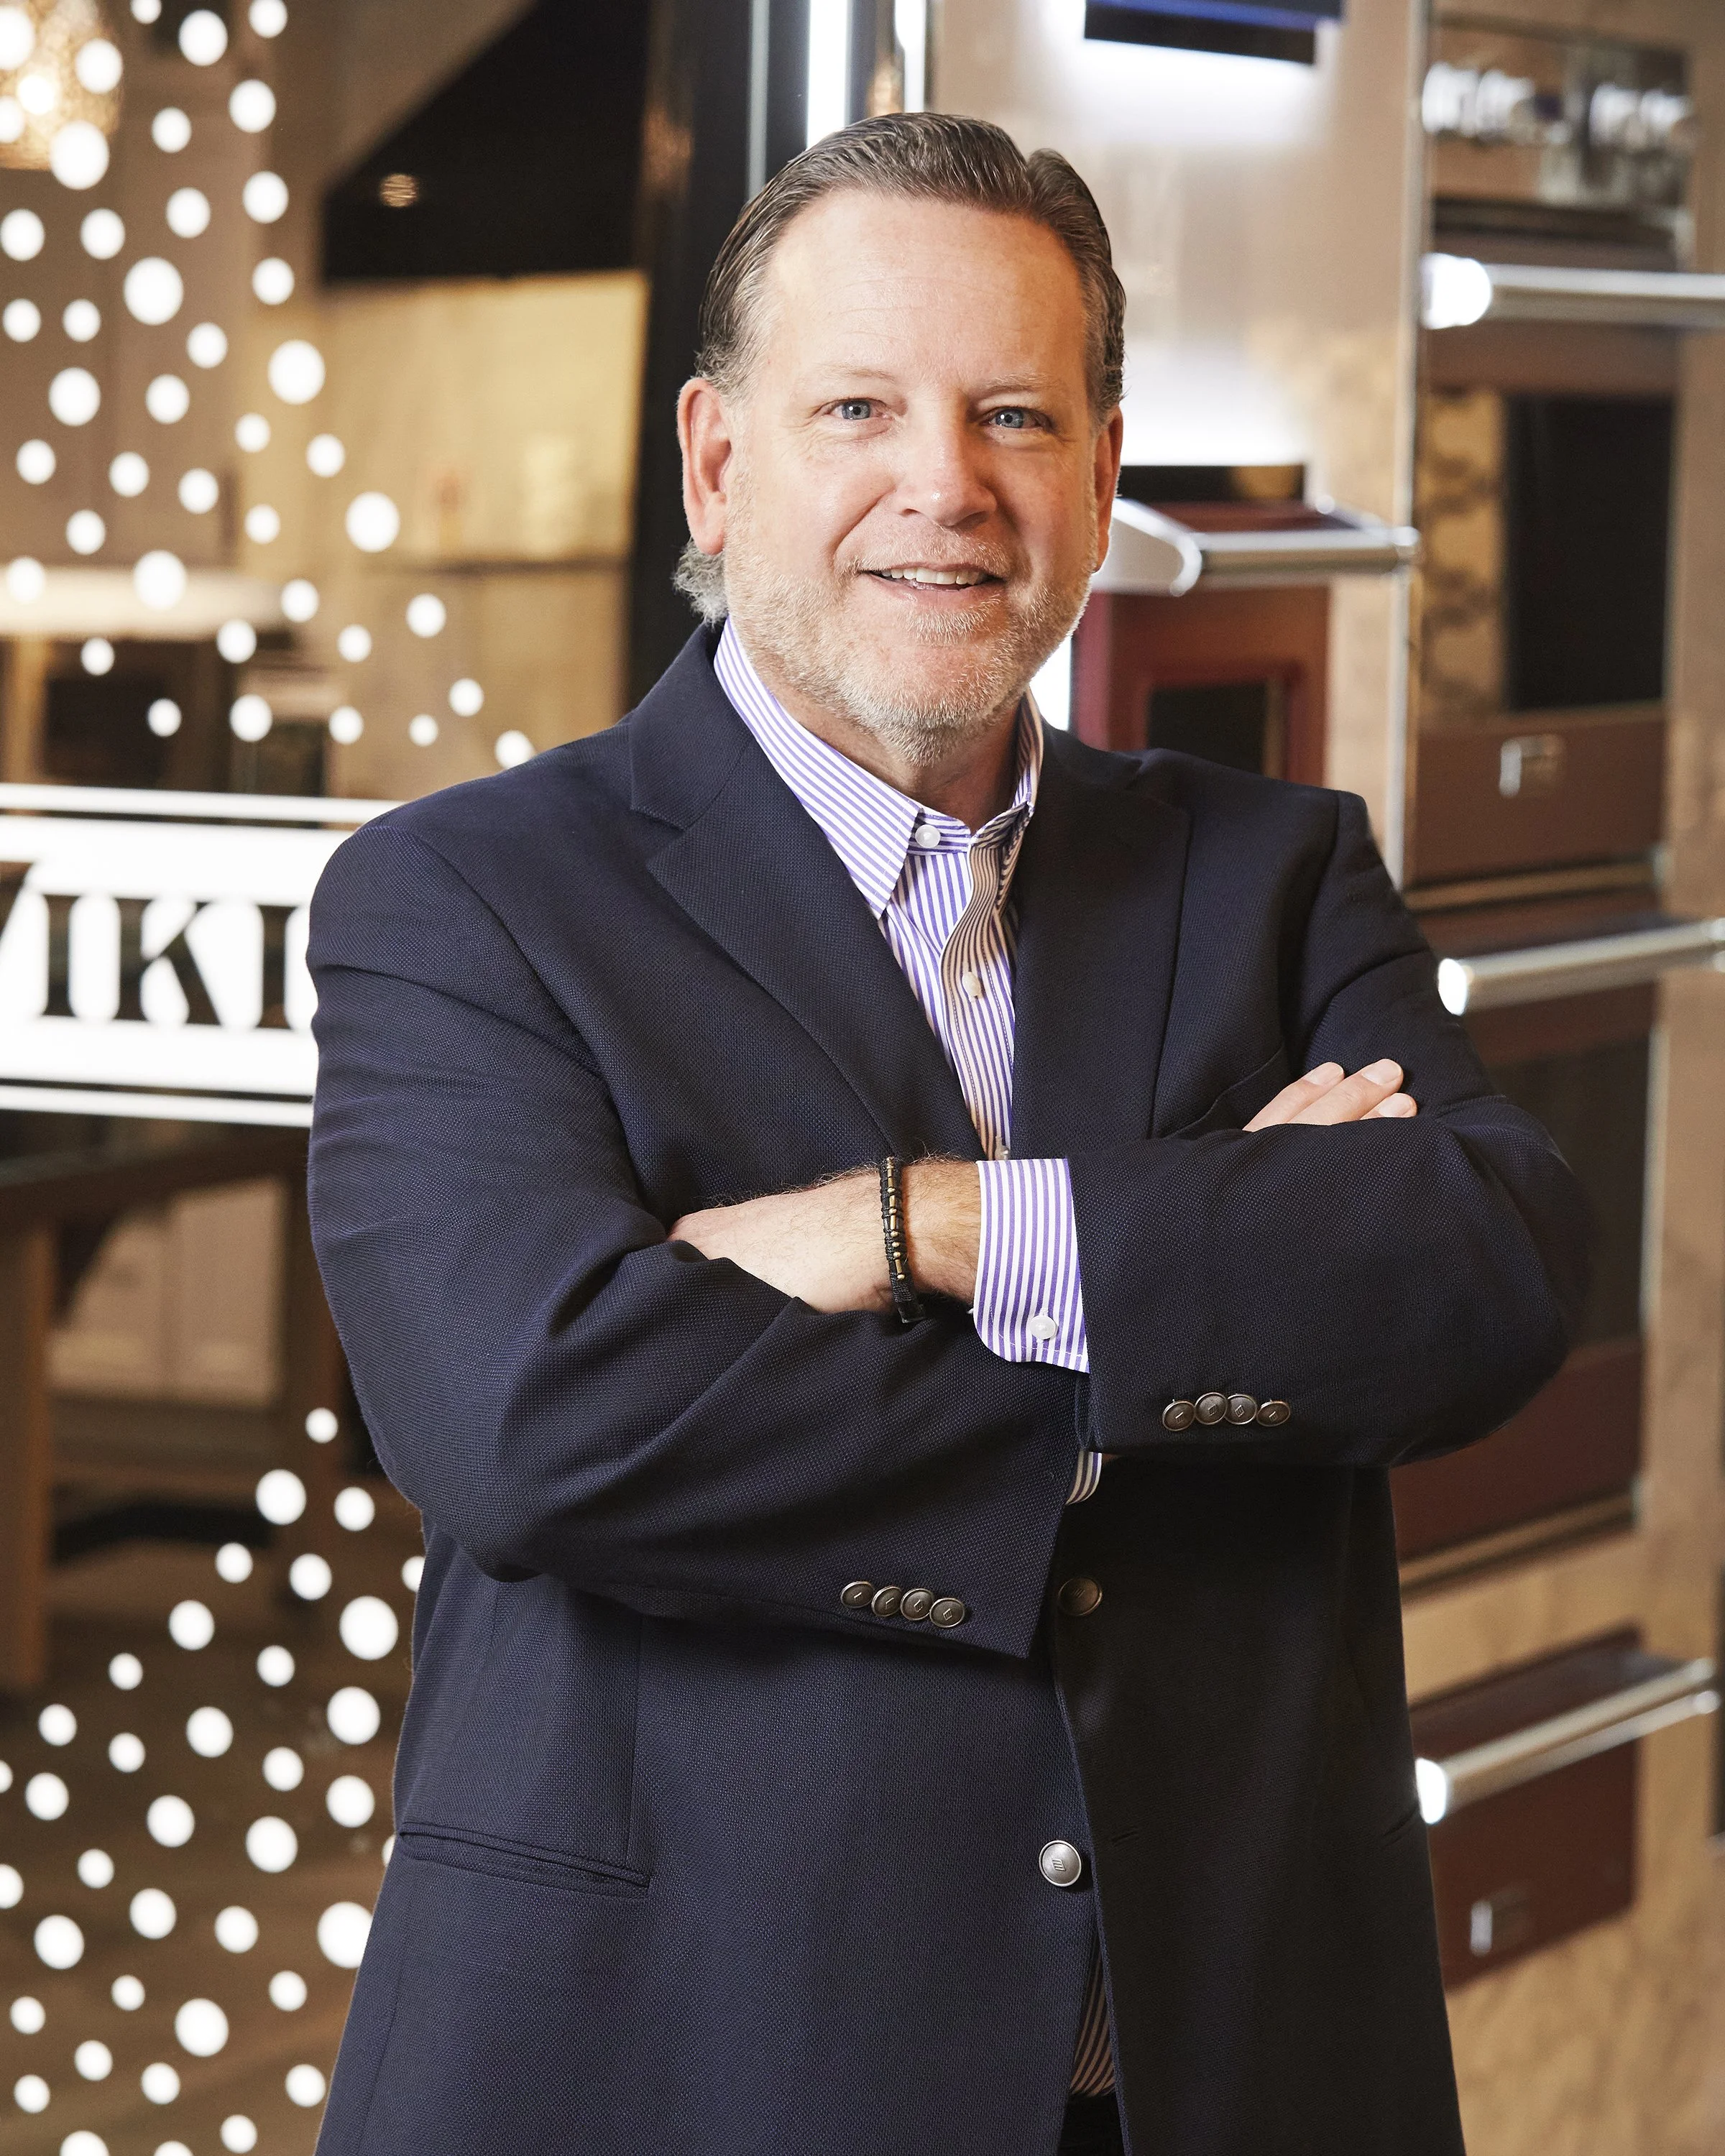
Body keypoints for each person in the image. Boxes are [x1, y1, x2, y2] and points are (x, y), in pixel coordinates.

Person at [305, 112, 1586, 2156]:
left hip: (1216, 2075)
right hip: (685, 2072)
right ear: (721, 468)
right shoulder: (464, 904)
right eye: (861, 409)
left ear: (1097, 476)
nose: (948, 486)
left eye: (1015, 414)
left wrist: (917, 1230)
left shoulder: (1272, 872)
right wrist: (1196, 1291)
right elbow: (531, 1423)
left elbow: (1491, 1272)